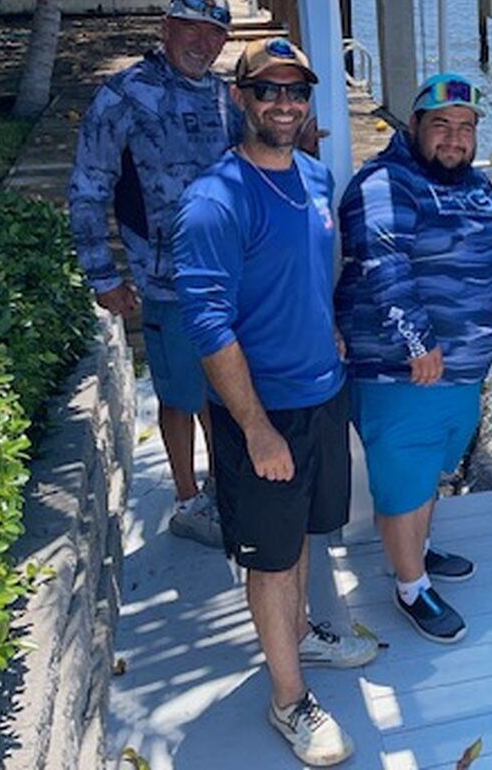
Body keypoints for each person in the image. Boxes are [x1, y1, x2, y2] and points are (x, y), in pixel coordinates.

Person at [174, 38, 376, 767]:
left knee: (303, 539)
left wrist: (327, 330)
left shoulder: (316, 177)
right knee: (270, 560)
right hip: (262, 411)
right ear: (240, 99)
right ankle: (289, 700)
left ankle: (299, 635)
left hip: (323, 393)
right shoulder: (214, 201)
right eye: (268, 91)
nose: (284, 105)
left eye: (296, 91)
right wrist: (256, 429)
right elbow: (208, 325)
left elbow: (310, 273)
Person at [335, 72, 492, 645]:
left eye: (465, 127)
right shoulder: (384, 183)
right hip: (401, 371)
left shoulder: (478, 185)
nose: (454, 138)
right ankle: (410, 586)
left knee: (431, 470)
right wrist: (419, 343)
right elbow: (385, 268)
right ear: (414, 124)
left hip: (462, 371)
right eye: (441, 125)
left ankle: (417, 547)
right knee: (404, 475)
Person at [69, 0, 239, 547]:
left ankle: (223, 485)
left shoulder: (226, 97)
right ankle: (188, 502)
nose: (203, 43)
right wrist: (103, 275)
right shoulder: (122, 95)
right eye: (191, 29)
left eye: (215, 34)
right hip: (168, 284)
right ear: (165, 28)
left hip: (230, 281)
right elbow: (89, 188)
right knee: (180, 395)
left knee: (224, 389)